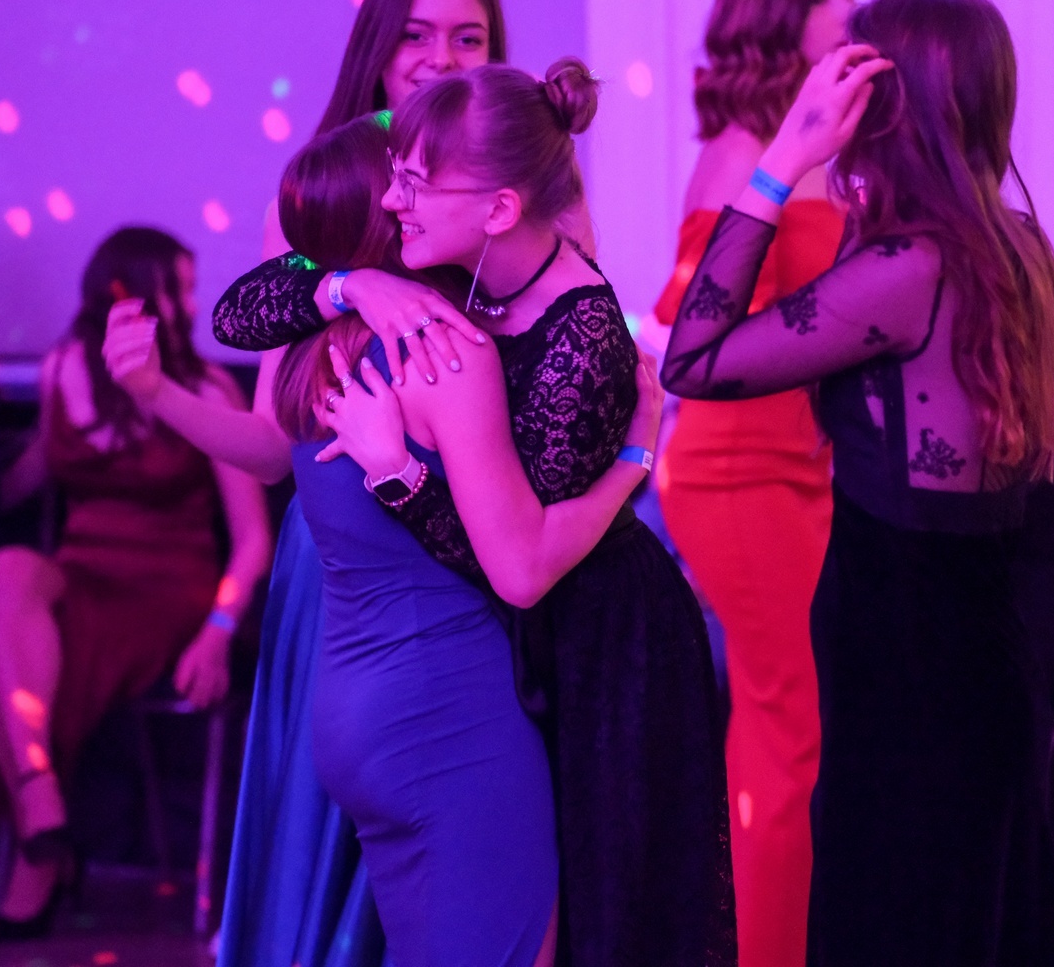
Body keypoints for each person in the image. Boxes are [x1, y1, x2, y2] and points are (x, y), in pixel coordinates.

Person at [207, 59, 736, 967]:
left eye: (415, 183)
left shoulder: (571, 335)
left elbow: (517, 567)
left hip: (593, 648)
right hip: (476, 669)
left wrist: (627, 465)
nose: (395, 202)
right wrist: (352, 287)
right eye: (394, 179)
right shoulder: (442, 308)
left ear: (497, 209)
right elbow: (240, 310)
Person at [115, 113, 661, 965]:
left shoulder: (313, 352)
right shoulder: (443, 353)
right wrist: (633, 461)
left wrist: (157, 389)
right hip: (450, 711)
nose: (414, 197)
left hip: (351, 707)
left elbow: (261, 389)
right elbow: (521, 569)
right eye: (405, 183)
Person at [660, 0, 1054, 965]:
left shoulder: (907, 270)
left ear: (889, 108)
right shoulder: (1015, 245)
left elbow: (693, 358)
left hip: (909, 661)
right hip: (987, 645)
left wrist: (781, 160)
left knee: (899, 919)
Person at [215, 0, 516, 967]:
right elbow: (267, 416)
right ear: (378, 51)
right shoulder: (323, 190)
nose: (440, 59)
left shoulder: (521, 190)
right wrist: (350, 284)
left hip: (483, 543)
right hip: (350, 562)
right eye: (417, 36)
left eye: (468, 38)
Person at [0, 227, 270, 942]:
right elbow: (27, 478)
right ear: (127, 294)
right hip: (83, 569)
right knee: (5, 569)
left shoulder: (205, 388)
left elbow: (253, 538)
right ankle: (40, 799)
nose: (191, 305)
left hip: (168, 584)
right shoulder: (61, 370)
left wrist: (219, 632)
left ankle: (39, 853)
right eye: (179, 288)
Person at [649, 0, 850, 962]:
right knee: (784, 725)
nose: (848, 9)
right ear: (776, 10)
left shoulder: (813, 148)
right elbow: (686, 319)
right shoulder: (742, 154)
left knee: (797, 728)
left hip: (802, 469)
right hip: (734, 475)